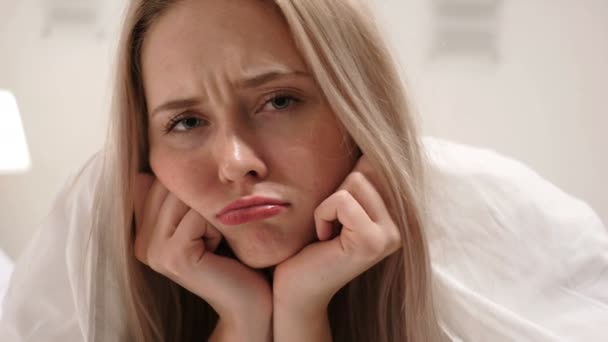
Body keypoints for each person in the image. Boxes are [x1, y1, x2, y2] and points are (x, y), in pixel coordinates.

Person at [1, 0, 607, 341]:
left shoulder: (492, 210)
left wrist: (300, 314)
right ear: (145, 152)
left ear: (355, 108)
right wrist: (242, 318)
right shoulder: (96, 224)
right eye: (185, 122)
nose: (237, 163)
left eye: (279, 101)